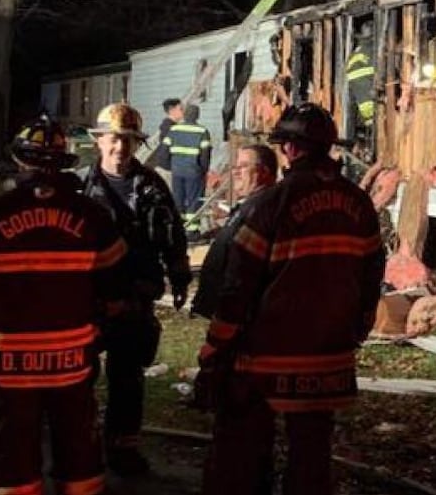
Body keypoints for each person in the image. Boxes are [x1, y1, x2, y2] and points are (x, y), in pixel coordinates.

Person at [196, 103, 384, 495]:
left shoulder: (271, 204)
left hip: (266, 357)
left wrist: (215, 347)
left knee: (244, 450)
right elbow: (371, 273)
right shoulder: (360, 204)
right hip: (330, 355)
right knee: (312, 456)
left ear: (291, 149)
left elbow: (238, 288)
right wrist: (358, 327)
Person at [0, 115, 127, 495]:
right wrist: (110, 324)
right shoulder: (92, 215)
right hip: (72, 360)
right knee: (79, 455)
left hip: (10, 363)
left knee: (15, 459)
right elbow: (115, 281)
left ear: (20, 162)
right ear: (63, 163)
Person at [82, 102, 192, 476]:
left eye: (128, 141)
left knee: (128, 379)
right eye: (114, 139)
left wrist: (179, 275)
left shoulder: (152, 185)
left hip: (135, 297)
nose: (121, 148)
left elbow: (173, 232)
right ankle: (80, 449)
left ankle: (123, 450)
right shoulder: (80, 187)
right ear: (99, 141)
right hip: (88, 300)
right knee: (79, 376)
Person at [189, 143, 278, 319]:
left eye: (244, 166)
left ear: (265, 172)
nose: (236, 172)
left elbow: (245, 269)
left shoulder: (264, 212)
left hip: (243, 317)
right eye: (235, 167)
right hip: (225, 311)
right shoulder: (248, 207)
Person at [162, 103, 212, 235]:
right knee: (194, 201)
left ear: (184, 114)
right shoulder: (202, 131)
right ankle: (192, 230)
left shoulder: (174, 130)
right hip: (194, 172)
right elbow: (205, 155)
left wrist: (170, 166)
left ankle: (178, 229)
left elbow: (164, 151)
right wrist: (203, 170)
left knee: (178, 199)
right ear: (197, 115)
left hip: (177, 171)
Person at [145, 98, 184, 177]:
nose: (183, 111)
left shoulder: (169, 126)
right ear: (171, 110)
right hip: (166, 168)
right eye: (181, 109)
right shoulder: (169, 128)